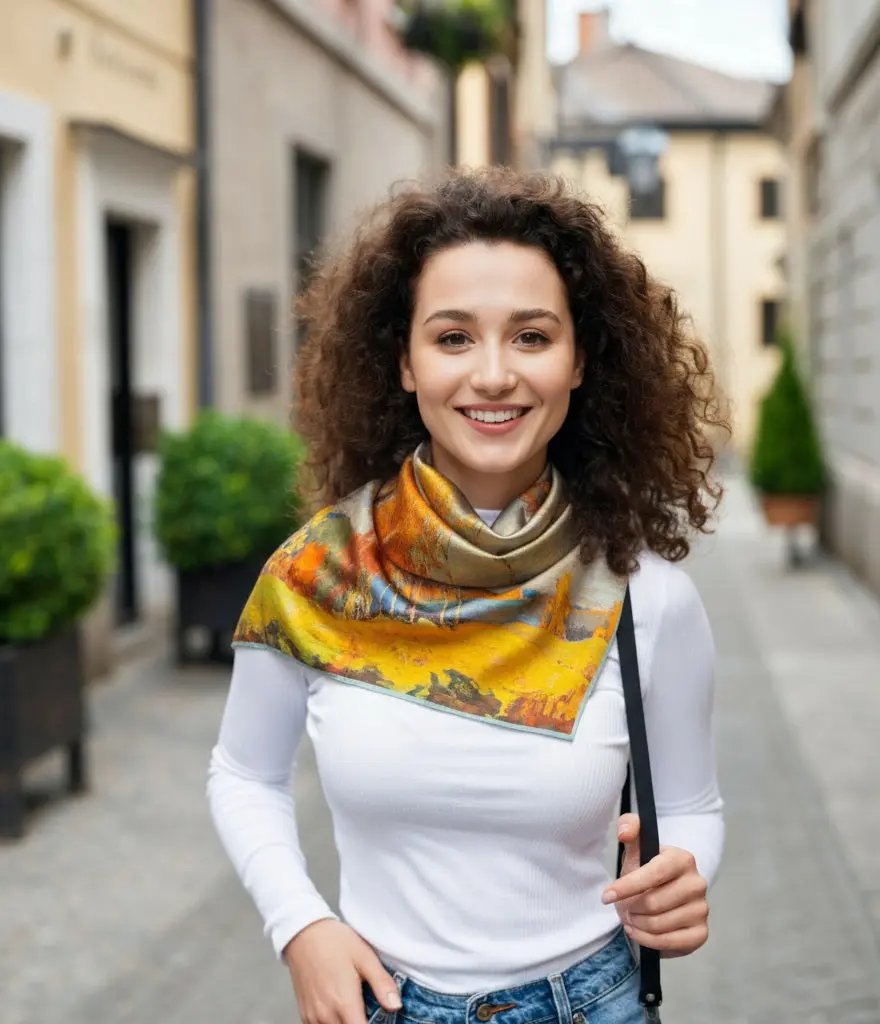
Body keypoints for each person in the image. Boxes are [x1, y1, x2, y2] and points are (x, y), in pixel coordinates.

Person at [207, 167, 727, 1024]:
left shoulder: (646, 597)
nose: (493, 375)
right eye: (453, 338)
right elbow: (242, 773)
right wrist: (299, 926)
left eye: (531, 337)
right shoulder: (316, 579)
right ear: (404, 364)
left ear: (580, 360)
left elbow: (691, 807)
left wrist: (684, 876)